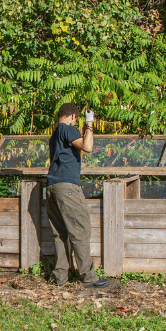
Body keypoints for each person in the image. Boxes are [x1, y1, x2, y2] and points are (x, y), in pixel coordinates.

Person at [45, 103, 109, 289]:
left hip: (52, 187)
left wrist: (83, 130)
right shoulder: (67, 129)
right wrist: (90, 123)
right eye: (77, 118)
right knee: (80, 231)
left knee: (61, 234)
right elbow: (87, 147)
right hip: (67, 189)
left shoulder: (57, 133)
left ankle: (60, 278)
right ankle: (88, 277)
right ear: (73, 116)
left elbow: (77, 150)